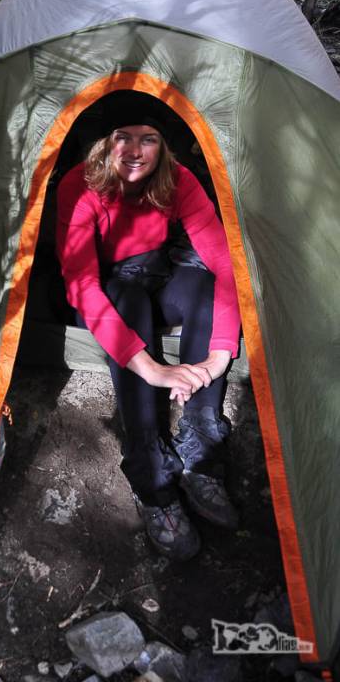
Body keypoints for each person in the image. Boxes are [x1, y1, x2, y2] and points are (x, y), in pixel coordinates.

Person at [56, 90, 241, 560]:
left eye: (149, 139)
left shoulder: (178, 181)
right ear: (106, 143)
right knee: (130, 300)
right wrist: (152, 369)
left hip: (153, 274)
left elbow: (225, 264)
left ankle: (201, 448)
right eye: (124, 137)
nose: (136, 151)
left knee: (201, 284)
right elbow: (81, 284)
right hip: (106, 292)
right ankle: (151, 474)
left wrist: (219, 355)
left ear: (164, 146)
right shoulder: (80, 186)